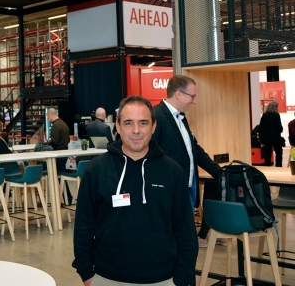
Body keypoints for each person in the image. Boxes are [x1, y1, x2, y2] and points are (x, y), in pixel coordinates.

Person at [72, 95, 197, 286]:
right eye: (128, 123)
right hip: (106, 278)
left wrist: (180, 280)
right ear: (118, 127)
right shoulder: (97, 169)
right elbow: (83, 225)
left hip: (163, 279)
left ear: (153, 126)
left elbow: (185, 231)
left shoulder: (173, 172)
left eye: (143, 123)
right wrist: (87, 274)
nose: (136, 130)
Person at [151, 75, 221, 248]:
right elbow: (150, 156)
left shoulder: (181, 118)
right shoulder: (156, 116)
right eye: (192, 96)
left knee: (184, 241)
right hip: (169, 191)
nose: (194, 101)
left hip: (187, 187)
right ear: (178, 94)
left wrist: (219, 173)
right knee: (173, 242)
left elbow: (193, 149)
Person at [259, 101, 284, 167]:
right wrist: (281, 129)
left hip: (266, 138)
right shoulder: (276, 115)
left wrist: (261, 137)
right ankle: (278, 166)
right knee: (278, 152)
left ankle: (267, 166)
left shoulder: (264, 115)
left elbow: (260, 127)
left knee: (267, 152)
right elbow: (279, 127)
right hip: (275, 137)